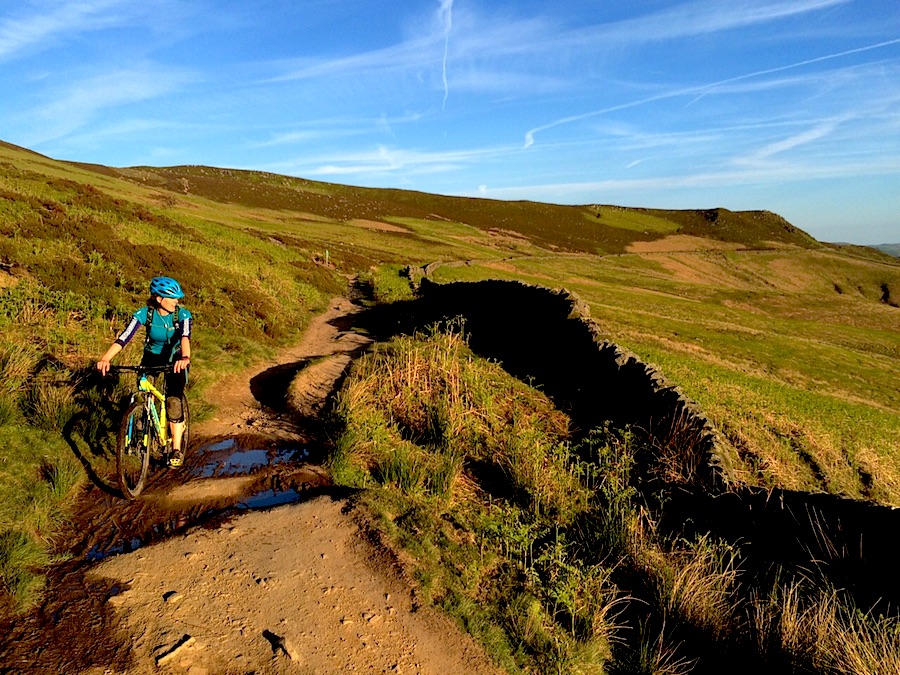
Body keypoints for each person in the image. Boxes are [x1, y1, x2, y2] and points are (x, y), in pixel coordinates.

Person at [97, 276, 193, 467]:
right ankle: (141, 419)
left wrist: (184, 358)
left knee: (173, 400)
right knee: (142, 389)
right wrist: (106, 358)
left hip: (176, 359)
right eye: (172, 297)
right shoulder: (144, 314)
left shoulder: (182, 315)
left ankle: (175, 448)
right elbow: (124, 337)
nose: (177, 301)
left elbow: (185, 337)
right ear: (158, 299)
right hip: (152, 356)